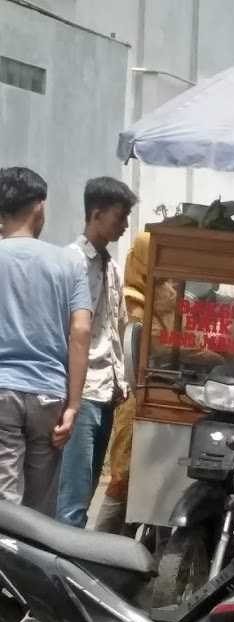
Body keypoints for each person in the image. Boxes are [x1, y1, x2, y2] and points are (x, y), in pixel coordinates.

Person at [0, 167, 93, 517]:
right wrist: (73, 405)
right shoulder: (69, 263)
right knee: (39, 513)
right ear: (40, 207)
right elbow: (81, 332)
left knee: (4, 506)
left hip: (2, 394)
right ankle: (29, 570)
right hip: (49, 397)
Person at [56, 176, 137, 528]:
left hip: (107, 392)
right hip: (83, 391)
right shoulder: (69, 262)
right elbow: (66, 330)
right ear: (97, 213)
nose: (124, 226)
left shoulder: (111, 266)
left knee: (86, 493)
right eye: (120, 217)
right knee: (72, 498)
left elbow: (116, 328)